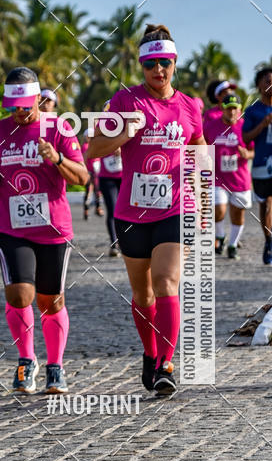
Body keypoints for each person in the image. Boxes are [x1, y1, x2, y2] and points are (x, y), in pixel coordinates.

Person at [88, 24, 206, 396]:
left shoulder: (190, 106)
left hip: (176, 207)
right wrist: (126, 133)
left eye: (165, 63)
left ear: (174, 62)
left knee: (167, 282)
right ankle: (151, 353)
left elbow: (199, 148)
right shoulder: (125, 102)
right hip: (132, 212)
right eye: (151, 64)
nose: (158, 70)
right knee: (143, 295)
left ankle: (167, 364)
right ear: (141, 65)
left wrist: (201, 201)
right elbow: (92, 148)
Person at [0, 67, 87, 394]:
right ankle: (26, 359)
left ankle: (55, 365)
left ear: (38, 100)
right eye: (13, 107)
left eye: (25, 107)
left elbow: (82, 177)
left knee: (50, 301)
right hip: (11, 226)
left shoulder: (59, 128)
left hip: (53, 228)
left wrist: (55, 158)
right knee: (19, 294)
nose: (19, 113)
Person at [242, 66, 272, 264]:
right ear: (259, 85)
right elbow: (245, 138)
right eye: (267, 81)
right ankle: (269, 240)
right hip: (260, 164)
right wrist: (262, 124)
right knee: (266, 205)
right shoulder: (253, 111)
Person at [203, 93, 253, 260]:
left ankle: (232, 245)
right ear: (222, 109)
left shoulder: (245, 127)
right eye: (228, 108)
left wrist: (248, 154)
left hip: (240, 179)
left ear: (240, 110)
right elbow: (201, 145)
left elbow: (254, 150)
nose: (232, 112)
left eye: (235, 109)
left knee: (238, 214)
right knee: (219, 210)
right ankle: (220, 235)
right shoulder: (211, 127)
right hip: (218, 178)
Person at [86, 102, 122, 255]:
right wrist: (112, 146)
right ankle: (114, 244)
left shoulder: (126, 124)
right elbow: (93, 148)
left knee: (127, 212)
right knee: (113, 210)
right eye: (106, 110)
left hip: (125, 176)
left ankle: (126, 242)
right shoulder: (100, 127)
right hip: (107, 177)